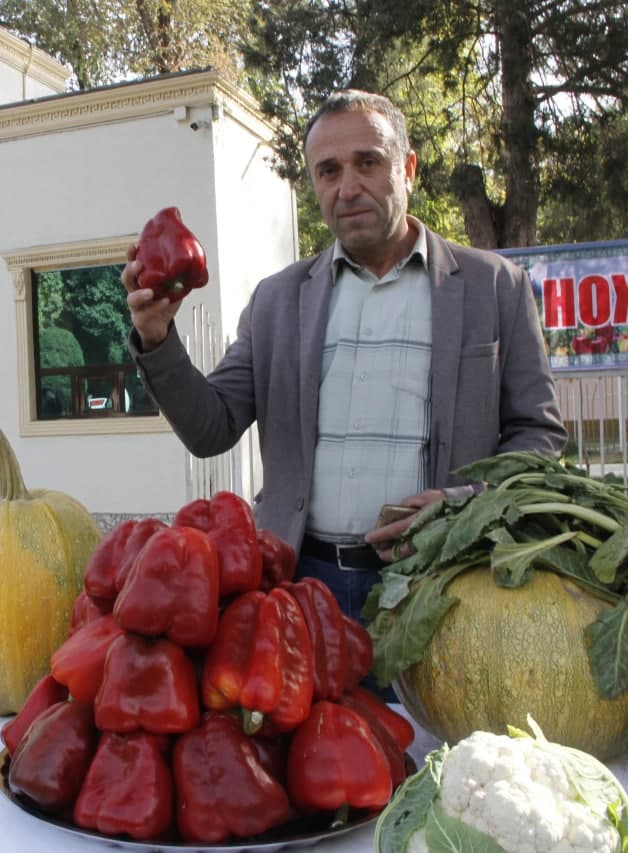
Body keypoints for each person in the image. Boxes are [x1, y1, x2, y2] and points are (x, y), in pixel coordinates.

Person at [122, 89, 566, 623]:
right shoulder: (278, 301)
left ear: (408, 170)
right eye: (328, 171)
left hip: (440, 583)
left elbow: (537, 437)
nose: (348, 187)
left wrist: (465, 505)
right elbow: (210, 429)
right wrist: (157, 338)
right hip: (301, 588)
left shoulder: (494, 288)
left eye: (368, 163)